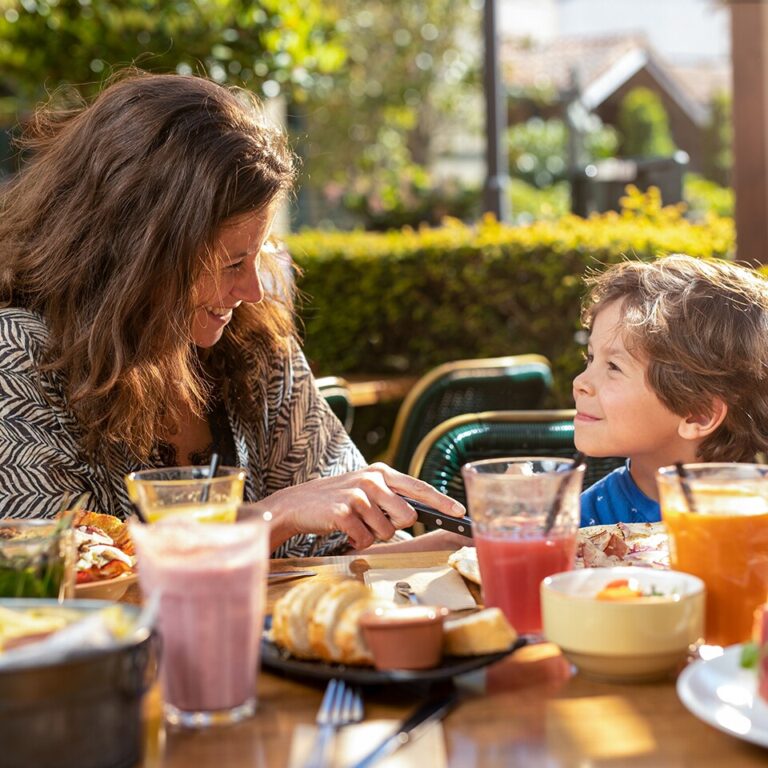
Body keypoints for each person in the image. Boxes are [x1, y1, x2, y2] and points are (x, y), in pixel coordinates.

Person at [0, 70, 466, 557]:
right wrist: (272, 516)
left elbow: (340, 558)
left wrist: (474, 542)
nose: (254, 291)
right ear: (138, 256)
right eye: (231, 264)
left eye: (259, 254)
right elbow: (53, 568)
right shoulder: (21, 355)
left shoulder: (251, 345)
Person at [573, 254, 768, 527]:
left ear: (698, 414)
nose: (579, 382)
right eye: (591, 358)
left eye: (614, 367)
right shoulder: (584, 523)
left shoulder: (754, 520)